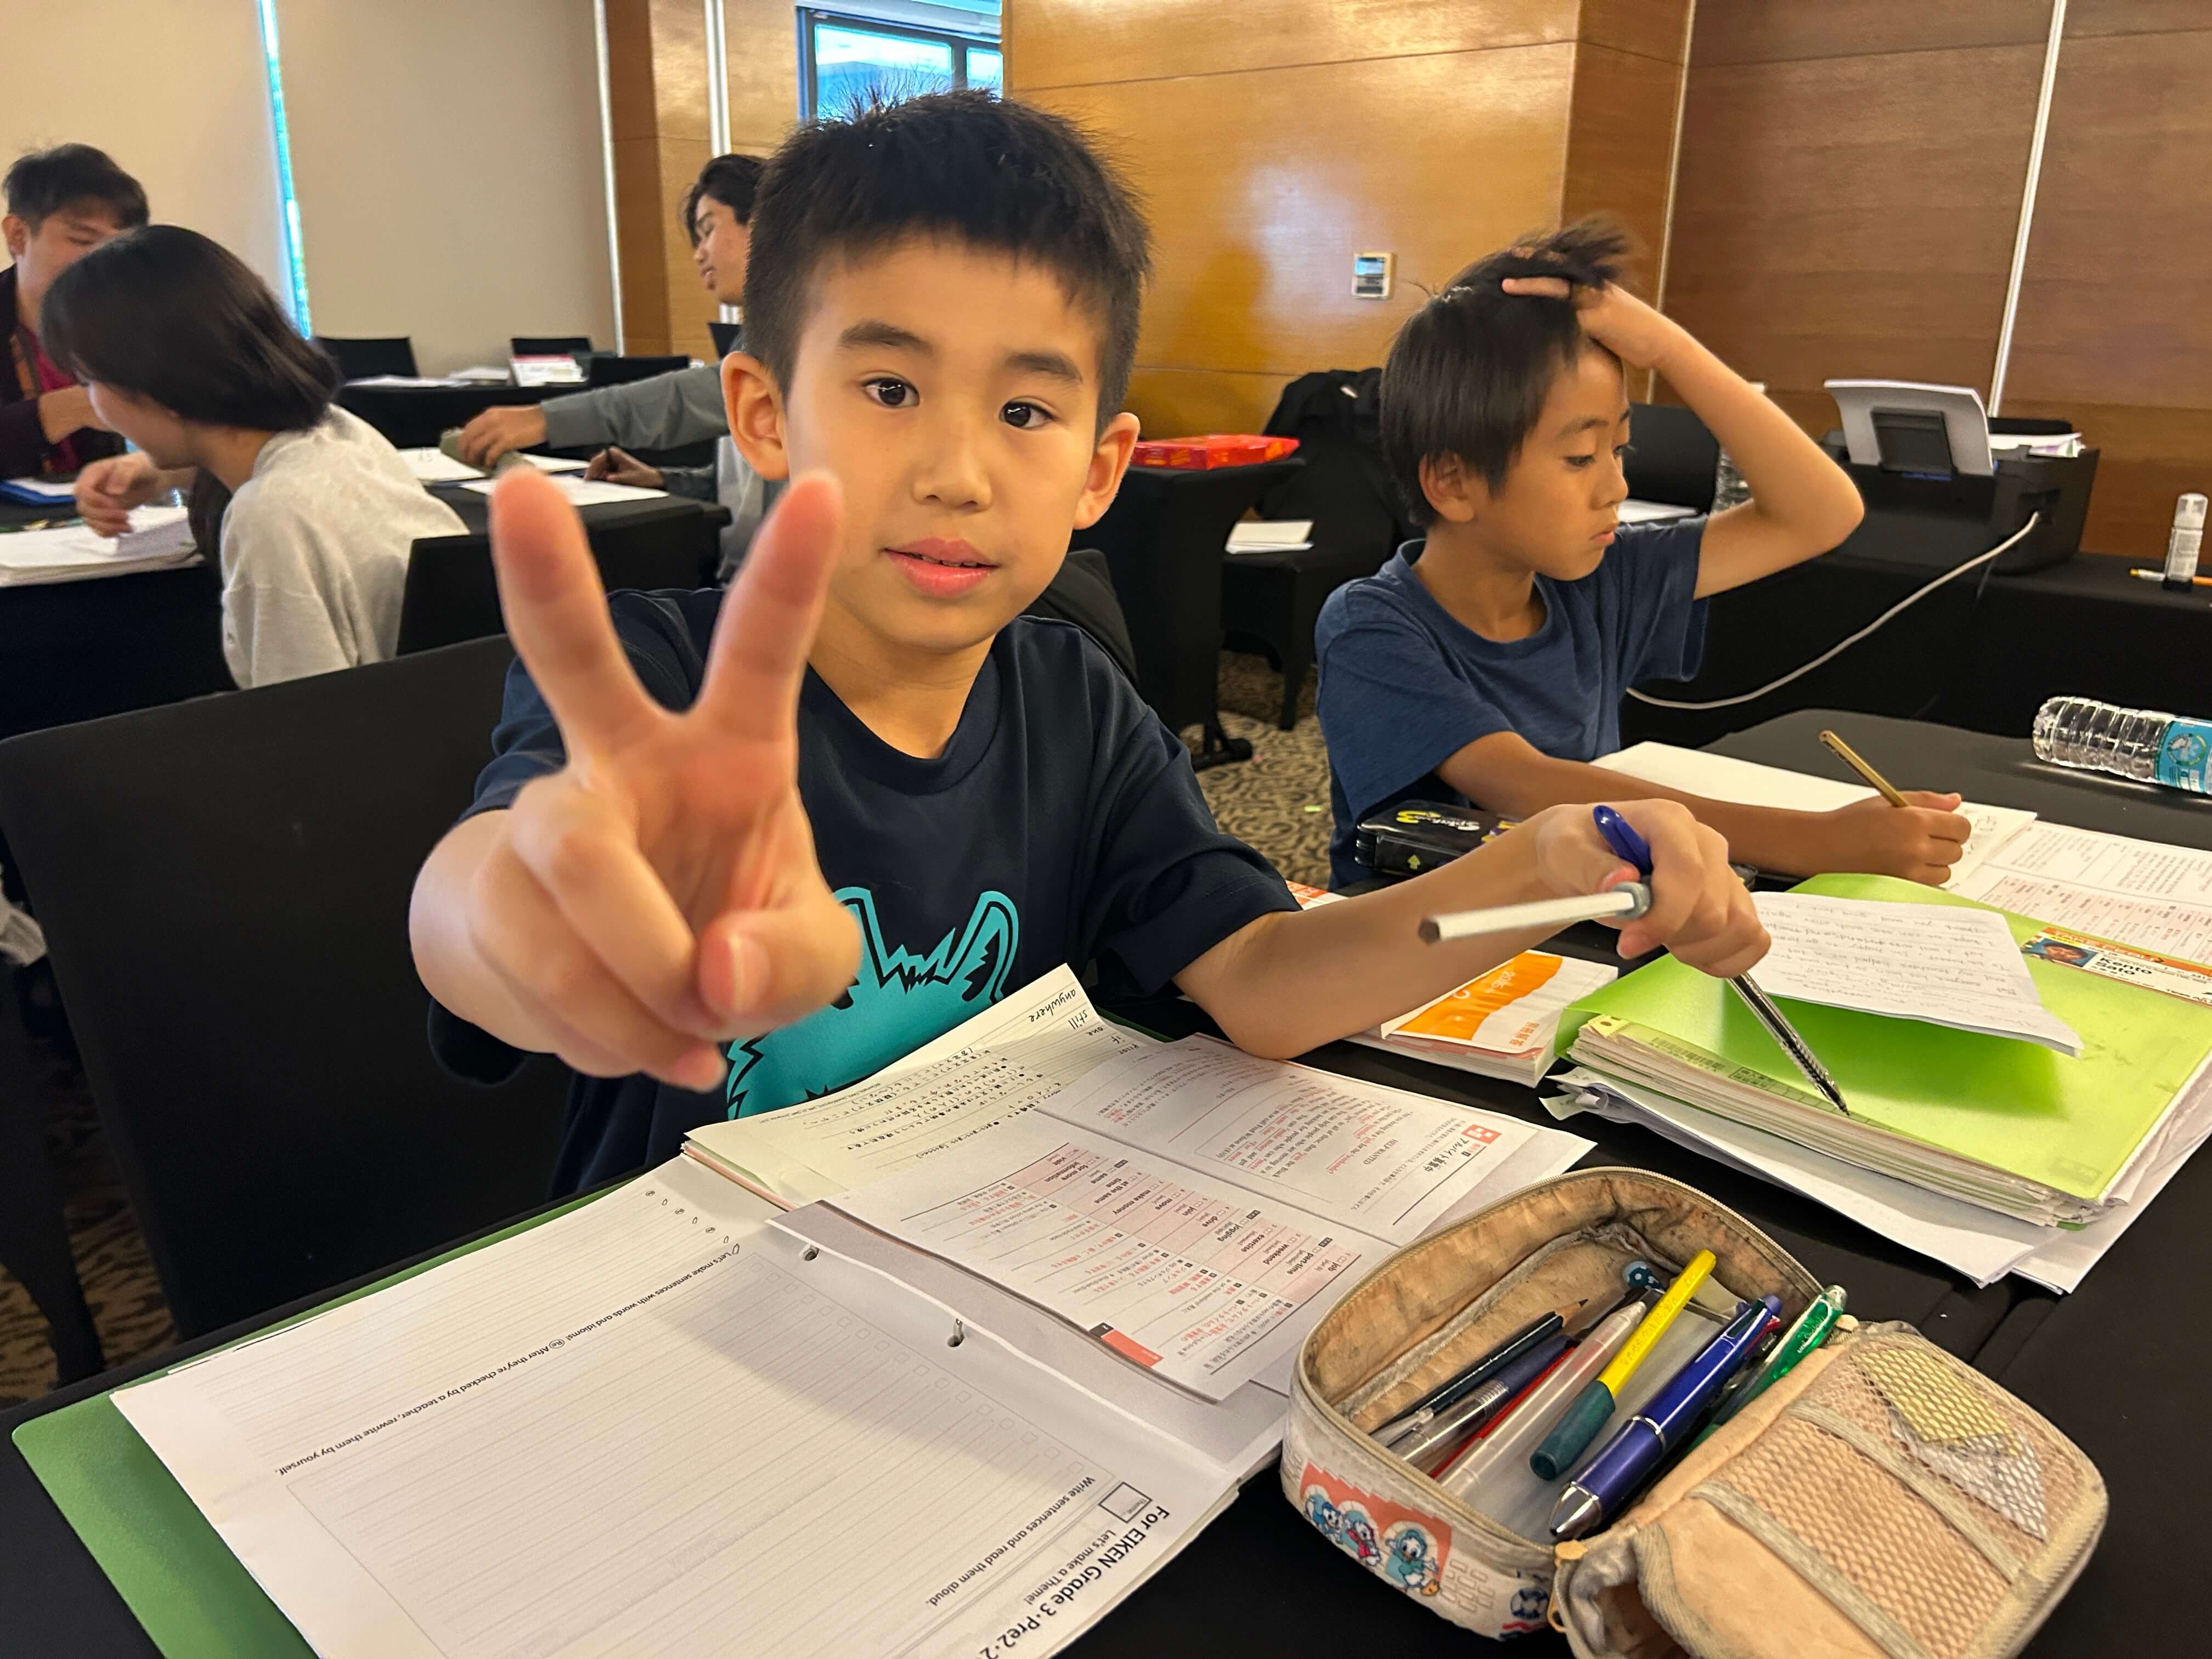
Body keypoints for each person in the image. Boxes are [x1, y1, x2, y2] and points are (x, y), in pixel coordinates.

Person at [408, 92, 1768, 1197]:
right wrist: (520, 906)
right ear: (764, 415)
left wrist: (1535, 871)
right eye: (888, 387)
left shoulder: (1076, 704)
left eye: (1025, 413)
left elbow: (1263, 982)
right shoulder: (653, 681)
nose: (957, 472)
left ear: (1101, 469)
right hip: (678, 1304)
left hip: (981, 1280)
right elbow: (476, 909)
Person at [1313, 221, 1971, 891]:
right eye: (1580, 457)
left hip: (1584, 914)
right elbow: (1520, 783)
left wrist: (1669, 349)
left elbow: (1823, 515)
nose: (1616, 487)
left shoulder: (1602, 578)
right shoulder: (1370, 625)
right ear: (1454, 483)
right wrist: (1815, 840)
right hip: (1423, 939)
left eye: (1619, 449)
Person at [49, 227, 464, 688]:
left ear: (158, 384)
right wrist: (161, 473)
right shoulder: (340, 433)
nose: (94, 406)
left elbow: (303, 715)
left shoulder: (268, 516)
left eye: (90, 381)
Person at [453, 153, 762, 471]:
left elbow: (684, 401)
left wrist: (545, 420)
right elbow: (747, 486)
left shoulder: (791, 337)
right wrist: (665, 479)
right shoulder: (750, 337)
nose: (699, 255)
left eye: (708, 230)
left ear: (761, 224)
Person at [1, 144, 146, 479]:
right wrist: (77, 407)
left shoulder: (137, 320)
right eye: (83, 241)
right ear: (18, 236)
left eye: (119, 246)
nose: (105, 262)